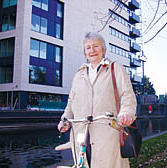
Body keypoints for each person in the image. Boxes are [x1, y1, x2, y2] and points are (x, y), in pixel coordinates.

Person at [57, 32, 137, 168]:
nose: (92, 50)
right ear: (84, 52)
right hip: (81, 132)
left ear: (103, 49)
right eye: (88, 47)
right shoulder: (79, 74)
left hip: (107, 132)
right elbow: (71, 101)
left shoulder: (115, 68)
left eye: (96, 46)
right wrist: (65, 120)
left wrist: (126, 112)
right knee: (83, 164)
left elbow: (127, 95)